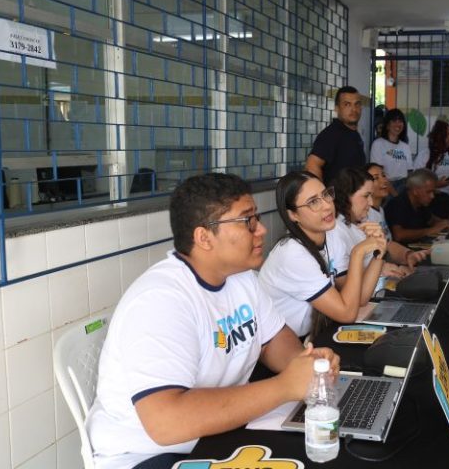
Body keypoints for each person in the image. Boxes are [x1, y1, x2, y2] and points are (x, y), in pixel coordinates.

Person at [87, 173, 339, 469]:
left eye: (257, 218)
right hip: (149, 455)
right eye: (247, 221)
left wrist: (308, 367)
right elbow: (166, 423)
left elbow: (273, 340)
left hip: (216, 436)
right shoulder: (160, 300)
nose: (261, 230)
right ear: (204, 237)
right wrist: (285, 386)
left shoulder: (242, 278)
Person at [258, 171, 386, 338]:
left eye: (326, 194)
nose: (327, 205)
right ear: (293, 215)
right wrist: (357, 253)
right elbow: (347, 313)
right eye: (313, 202)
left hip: (314, 335)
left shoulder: (331, 234)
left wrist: (378, 252)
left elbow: (359, 298)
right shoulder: (292, 254)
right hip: (283, 345)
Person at [305, 86, 366, 185]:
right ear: (337, 108)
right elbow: (312, 165)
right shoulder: (331, 134)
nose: (353, 109)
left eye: (357, 104)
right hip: (337, 194)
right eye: (347, 104)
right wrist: (323, 194)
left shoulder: (353, 134)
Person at [384, 168, 449, 243]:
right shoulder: (397, 204)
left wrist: (444, 223)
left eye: (433, 192)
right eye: (428, 192)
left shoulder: (421, 203)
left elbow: (431, 220)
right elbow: (398, 235)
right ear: (415, 191)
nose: (432, 196)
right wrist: (431, 230)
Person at [414, 119, 449, 218]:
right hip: (429, 203)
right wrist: (436, 185)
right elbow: (415, 182)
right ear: (440, 136)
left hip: (448, 202)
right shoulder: (424, 155)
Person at [369, 108, 414, 195]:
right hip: (385, 185)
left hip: (404, 186)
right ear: (387, 125)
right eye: (394, 121)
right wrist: (394, 194)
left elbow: (410, 173)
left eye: (400, 121)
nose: (398, 124)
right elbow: (378, 173)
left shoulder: (405, 147)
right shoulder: (378, 144)